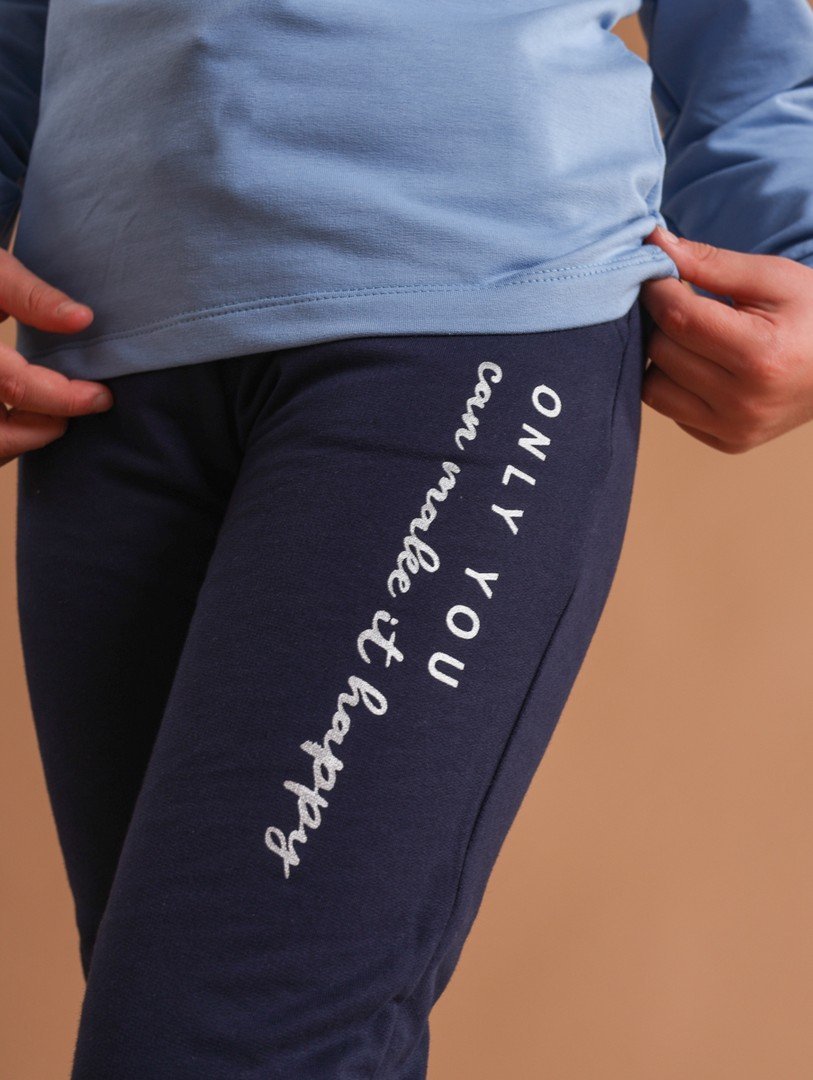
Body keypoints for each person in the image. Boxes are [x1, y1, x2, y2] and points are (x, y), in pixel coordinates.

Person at [2, 1, 812, 1076]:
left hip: (465, 307)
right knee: (167, 1014)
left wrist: (792, 236)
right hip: (107, 349)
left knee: (223, 1034)